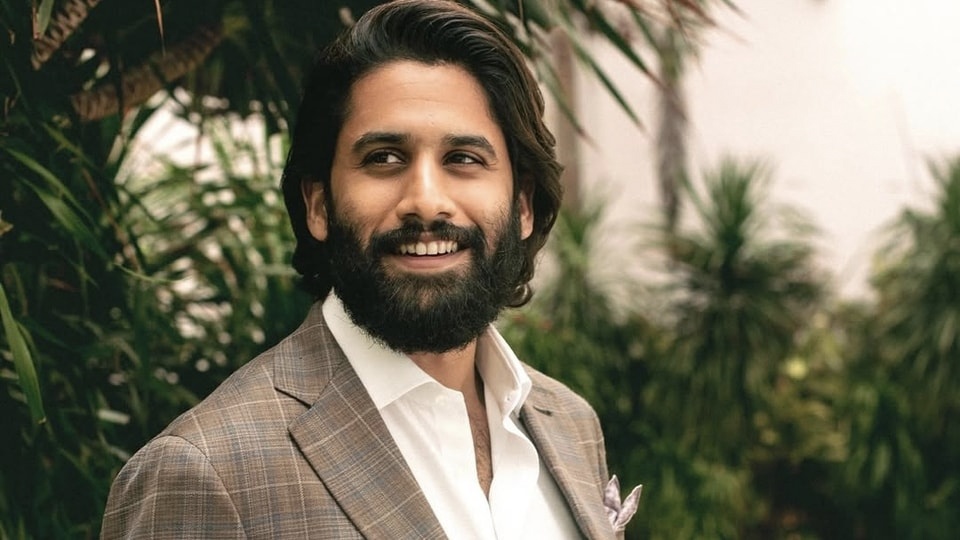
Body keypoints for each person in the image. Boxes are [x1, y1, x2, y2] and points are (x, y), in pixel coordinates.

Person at [101, 1, 625, 538]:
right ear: (319, 205)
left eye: (464, 159)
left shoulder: (570, 425)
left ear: (523, 206)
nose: (426, 201)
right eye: (384, 158)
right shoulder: (203, 473)